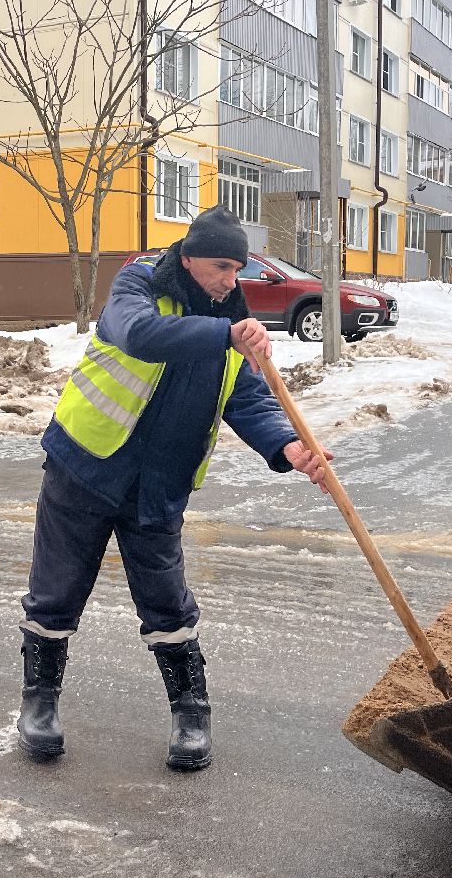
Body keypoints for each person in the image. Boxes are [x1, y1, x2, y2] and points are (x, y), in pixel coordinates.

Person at [17, 207, 333, 770]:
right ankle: (38, 705)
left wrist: (288, 447)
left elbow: (246, 397)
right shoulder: (139, 284)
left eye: (236, 269)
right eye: (219, 266)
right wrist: (224, 333)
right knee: (56, 592)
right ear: (188, 258)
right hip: (86, 467)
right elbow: (138, 335)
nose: (229, 280)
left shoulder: (231, 316)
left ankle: (192, 713)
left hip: (159, 485)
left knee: (167, 604)